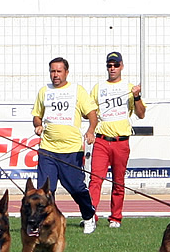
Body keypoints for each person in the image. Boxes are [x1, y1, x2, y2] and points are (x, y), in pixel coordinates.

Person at [32, 57, 98, 234]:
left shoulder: (77, 91)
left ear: (66, 72)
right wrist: (38, 125)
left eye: (59, 71)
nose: (55, 74)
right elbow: (37, 115)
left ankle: (88, 216)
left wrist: (90, 130)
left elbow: (92, 114)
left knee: (76, 188)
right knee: (46, 190)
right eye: (52, 71)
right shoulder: (44, 91)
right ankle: (46, 222)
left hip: (71, 151)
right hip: (47, 149)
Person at [89, 51, 146, 228]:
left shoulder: (129, 87)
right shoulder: (98, 87)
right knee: (95, 179)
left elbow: (141, 114)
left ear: (121, 66)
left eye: (115, 65)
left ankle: (116, 217)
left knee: (118, 181)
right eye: (109, 65)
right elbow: (91, 112)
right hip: (101, 140)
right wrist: (90, 130)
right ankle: (90, 215)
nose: (112, 68)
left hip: (121, 141)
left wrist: (136, 96)